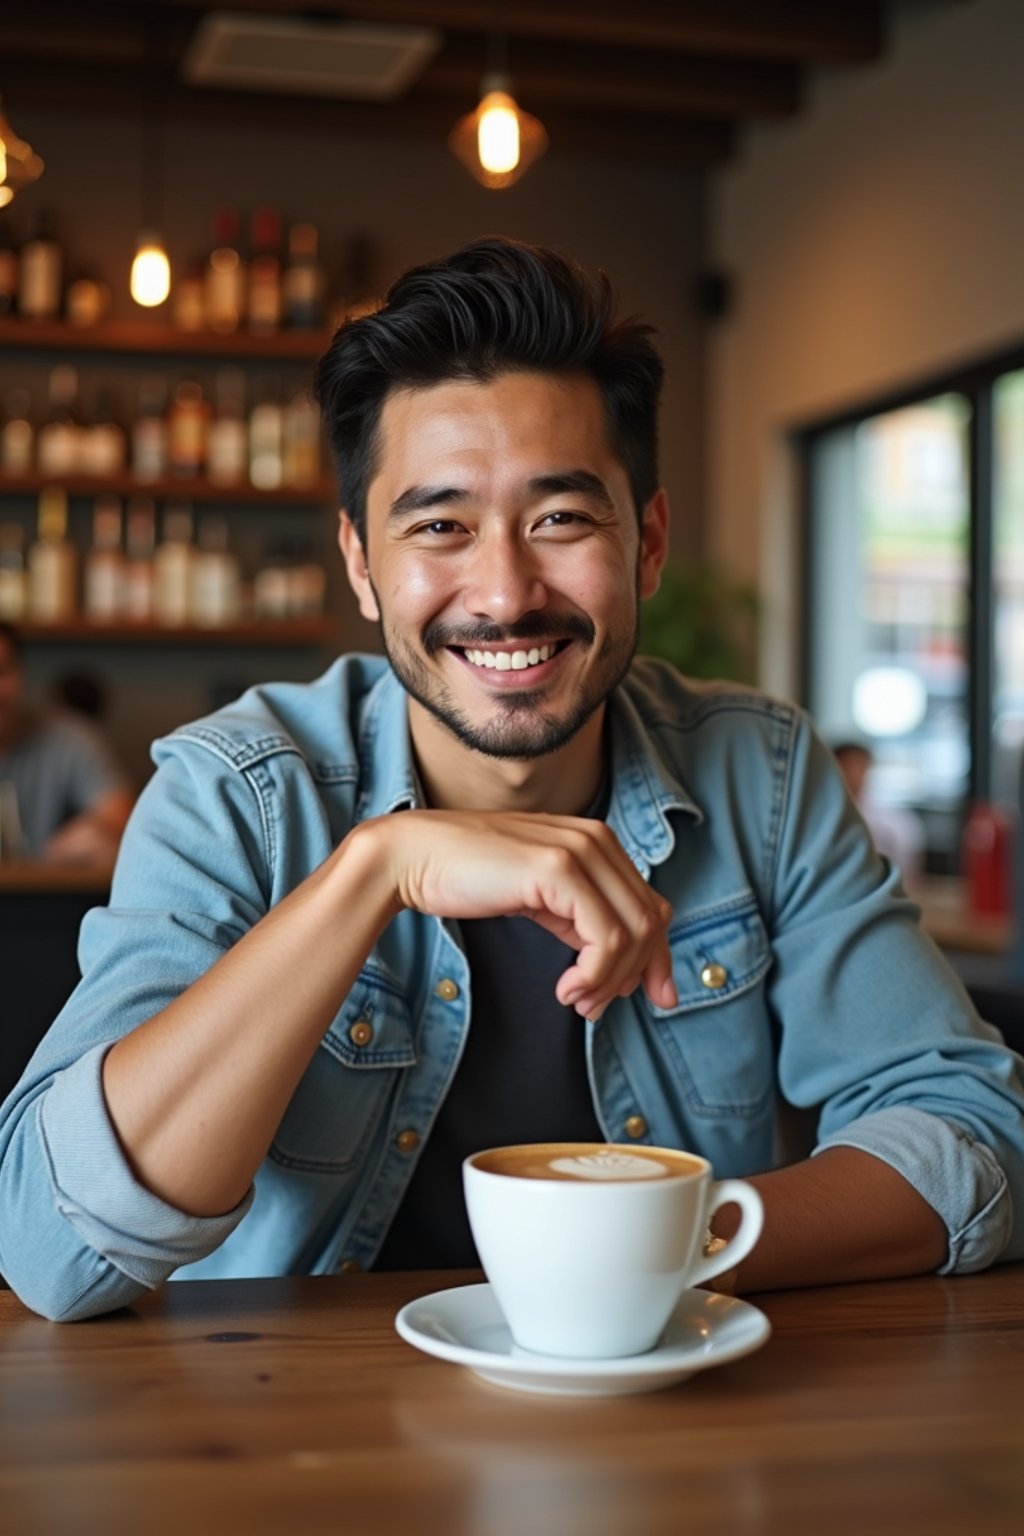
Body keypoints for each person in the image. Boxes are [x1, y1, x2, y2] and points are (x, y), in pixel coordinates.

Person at [0, 238, 1021, 1323]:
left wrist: (654, 1251)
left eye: (561, 519)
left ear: (649, 543)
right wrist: (375, 871)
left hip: (660, 1421)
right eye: (439, 526)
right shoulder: (236, 793)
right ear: (360, 563)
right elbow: (50, 1246)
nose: (503, 591)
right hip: (284, 1440)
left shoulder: (758, 773)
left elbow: (970, 1129)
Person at [0, 621, 133, 867]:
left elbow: (120, 815)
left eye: (2, 672)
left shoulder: (70, 738)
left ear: (21, 674)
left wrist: (91, 835)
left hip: (46, 900)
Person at [832, 739, 926, 884]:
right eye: (847, 766)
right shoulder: (821, 818)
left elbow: (909, 870)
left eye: (860, 766)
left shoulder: (894, 820)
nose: (854, 773)